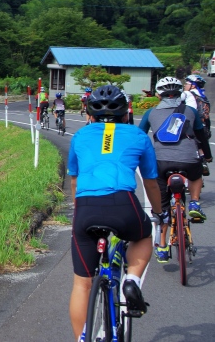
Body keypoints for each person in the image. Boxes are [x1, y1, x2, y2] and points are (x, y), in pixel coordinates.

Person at [68, 85, 162, 342]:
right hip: (124, 204)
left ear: (90, 115)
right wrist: (158, 211)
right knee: (143, 235)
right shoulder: (138, 136)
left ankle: (82, 338)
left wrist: (80, 212)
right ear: (126, 114)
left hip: (86, 208)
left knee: (82, 283)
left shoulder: (80, 136)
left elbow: (74, 181)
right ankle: (131, 280)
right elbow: (151, 182)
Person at [139, 77, 211, 261]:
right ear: (181, 93)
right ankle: (194, 202)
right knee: (197, 172)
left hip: (161, 162)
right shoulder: (191, 111)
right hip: (188, 160)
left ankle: (162, 245)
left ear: (158, 95)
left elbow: (139, 136)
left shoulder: (150, 112)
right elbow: (201, 135)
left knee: (162, 206)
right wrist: (208, 156)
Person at [182, 74, 212, 175]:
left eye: (187, 83)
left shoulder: (187, 94)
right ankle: (203, 161)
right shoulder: (203, 97)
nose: (185, 85)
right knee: (201, 146)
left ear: (193, 85)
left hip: (193, 125)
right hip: (205, 127)